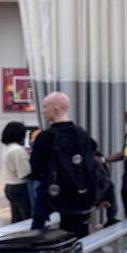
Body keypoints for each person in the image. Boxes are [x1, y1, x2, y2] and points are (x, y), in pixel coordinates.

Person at [29, 92, 100, 238]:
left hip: (50, 191)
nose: (42, 111)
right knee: (75, 231)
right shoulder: (82, 134)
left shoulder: (45, 137)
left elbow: (36, 168)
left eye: (45, 107)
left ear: (55, 110)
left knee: (38, 225)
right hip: (78, 192)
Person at [0, 121, 33, 223]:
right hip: (20, 188)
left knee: (16, 219)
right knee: (27, 219)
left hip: (9, 187)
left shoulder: (7, 148)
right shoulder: (18, 150)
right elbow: (25, 173)